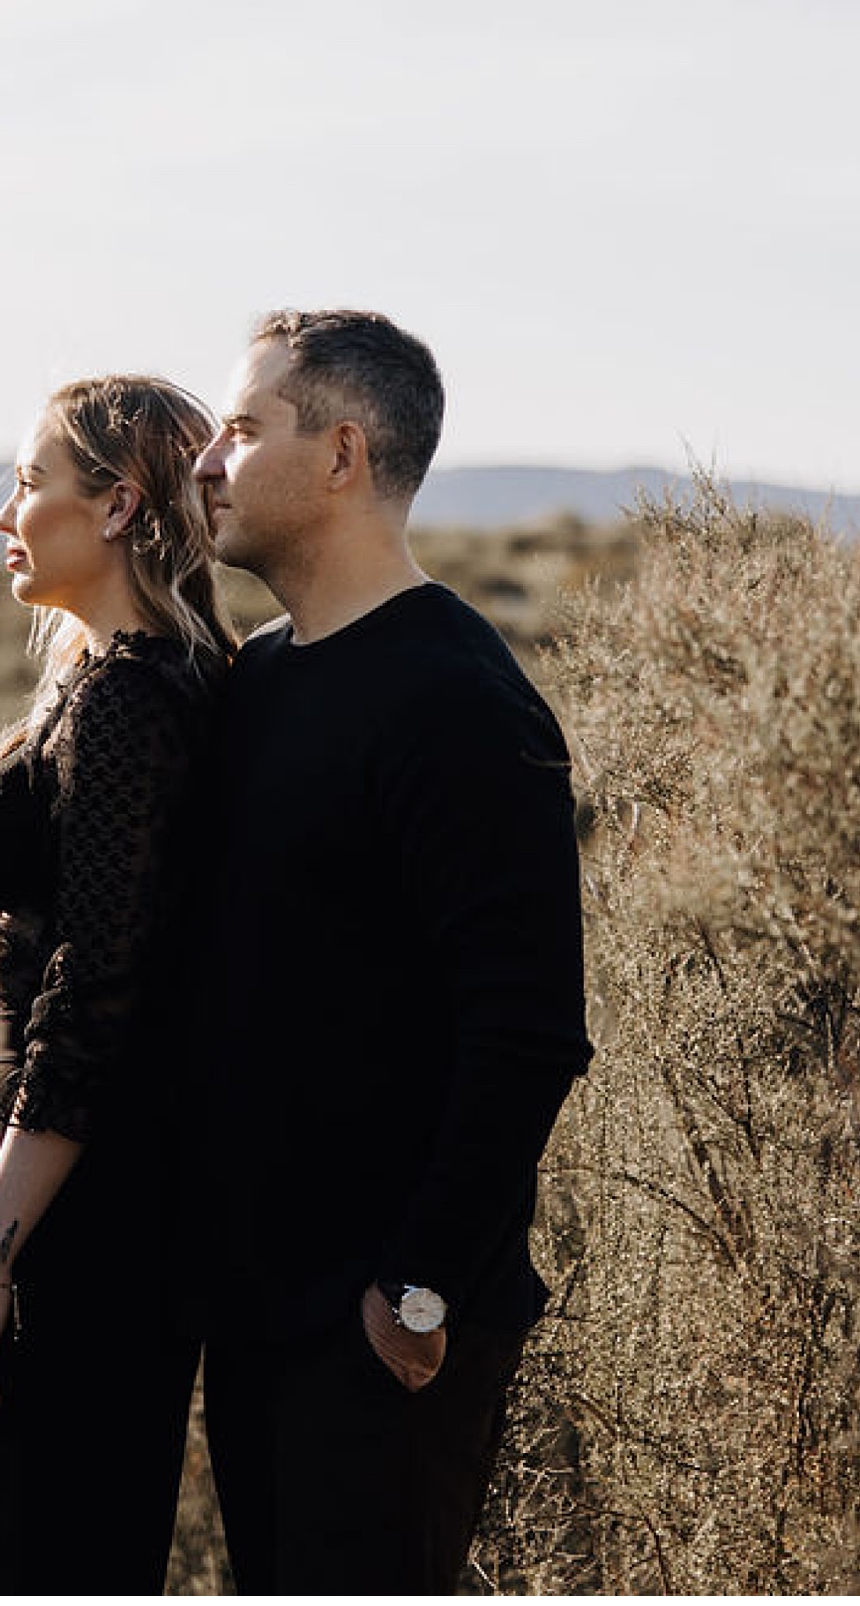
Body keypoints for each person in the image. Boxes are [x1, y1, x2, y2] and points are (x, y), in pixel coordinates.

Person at [175, 309, 594, 1593]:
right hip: (256, 1296)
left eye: (243, 431)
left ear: (343, 455)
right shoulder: (258, 675)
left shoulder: (457, 701)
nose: (206, 462)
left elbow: (526, 1028)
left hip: (383, 1321)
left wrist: (415, 1290)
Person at [0, 374, 234, 1595]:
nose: (6, 516)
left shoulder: (133, 701)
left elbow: (94, 999)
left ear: (121, 505)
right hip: (38, 1175)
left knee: (29, 1547)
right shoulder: (104, 682)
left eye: (28, 484)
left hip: (75, 1214)